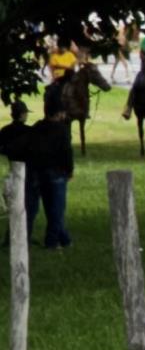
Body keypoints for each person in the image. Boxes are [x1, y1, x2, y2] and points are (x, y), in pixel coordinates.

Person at [23, 98, 74, 249]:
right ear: (59, 114)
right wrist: (69, 170)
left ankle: (65, 239)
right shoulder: (62, 130)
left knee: (44, 207)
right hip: (56, 172)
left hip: (37, 171)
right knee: (56, 210)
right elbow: (67, 152)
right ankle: (51, 242)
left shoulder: (37, 127)